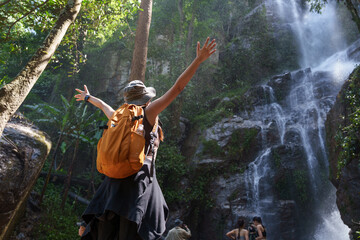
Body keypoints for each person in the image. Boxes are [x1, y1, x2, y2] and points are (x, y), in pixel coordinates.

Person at [74, 37, 216, 240]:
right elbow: (177, 88)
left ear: (127, 100)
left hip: (112, 186)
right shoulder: (148, 113)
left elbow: (104, 106)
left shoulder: (119, 117)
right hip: (139, 182)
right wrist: (198, 61)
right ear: (146, 98)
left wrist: (89, 98)